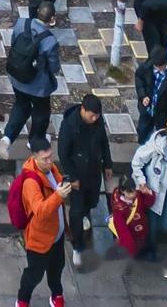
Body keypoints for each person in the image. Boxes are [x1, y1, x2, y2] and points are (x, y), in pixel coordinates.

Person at [14, 134, 71, 307]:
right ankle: (22, 300)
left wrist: (68, 184)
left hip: (57, 235)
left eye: (51, 156)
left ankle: (56, 294)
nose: (50, 161)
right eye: (45, 158)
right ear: (34, 157)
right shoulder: (31, 182)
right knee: (34, 274)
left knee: (56, 268)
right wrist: (58, 196)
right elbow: (40, 211)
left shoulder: (50, 168)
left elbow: (58, 181)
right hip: (40, 238)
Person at [57, 94, 114, 268]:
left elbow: (104, 142)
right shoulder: (69, 126)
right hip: (77, 175)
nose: (95, 118)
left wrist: (108, 164)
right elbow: (63, 154)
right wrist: (72, 177)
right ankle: (78, 246)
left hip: (94, 173)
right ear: (83, 109)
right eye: (92, 115)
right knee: (76, 211)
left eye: (97, 115)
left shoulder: (97, 122)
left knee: (91, 202)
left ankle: (84, 216)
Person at [129, 123, 167, 277]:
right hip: (152, 192)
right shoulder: (154, 148)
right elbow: (137, 162)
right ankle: (151, 250)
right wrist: (141, 181)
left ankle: (161, 247)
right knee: (151, 226)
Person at [0, 5, 61, 156]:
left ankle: (7, 137)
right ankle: (35, 140)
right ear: (52, 19)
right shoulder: (50, 41)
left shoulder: (21, 23)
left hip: (17, 77)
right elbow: (54, 68)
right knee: (41, 113)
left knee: (21, 106)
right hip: (38, 86)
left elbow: (13, 42)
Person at [135, 43, 167, 145]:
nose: (158, 69)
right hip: (147, 108)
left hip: (163, 112)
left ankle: (158, 148)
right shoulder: (146, 68)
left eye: (160, 67)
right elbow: (139, 79)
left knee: (162, 133)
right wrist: (143, 95)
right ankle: (142, 144)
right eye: (156, 67)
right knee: (143, 128)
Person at [108, 174, 156, 260]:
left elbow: (149, 203)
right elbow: (123, 233)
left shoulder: (138, 195)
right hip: (131, 238)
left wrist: (147, 193)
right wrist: (130, 250)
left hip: (142, 235)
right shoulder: (118, 209)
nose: (133, 194)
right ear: (122, 191)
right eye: (130, 192)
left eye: (134, 191)